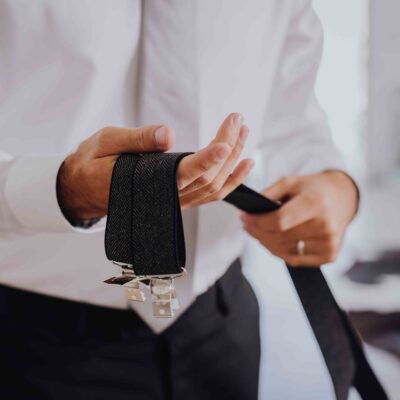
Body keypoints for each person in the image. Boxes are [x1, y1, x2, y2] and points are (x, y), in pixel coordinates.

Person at [0, 1, 358, 399]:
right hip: (26, 340)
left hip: (221, 328)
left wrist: (334, 182)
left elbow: (294, 110)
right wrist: (62, 189)